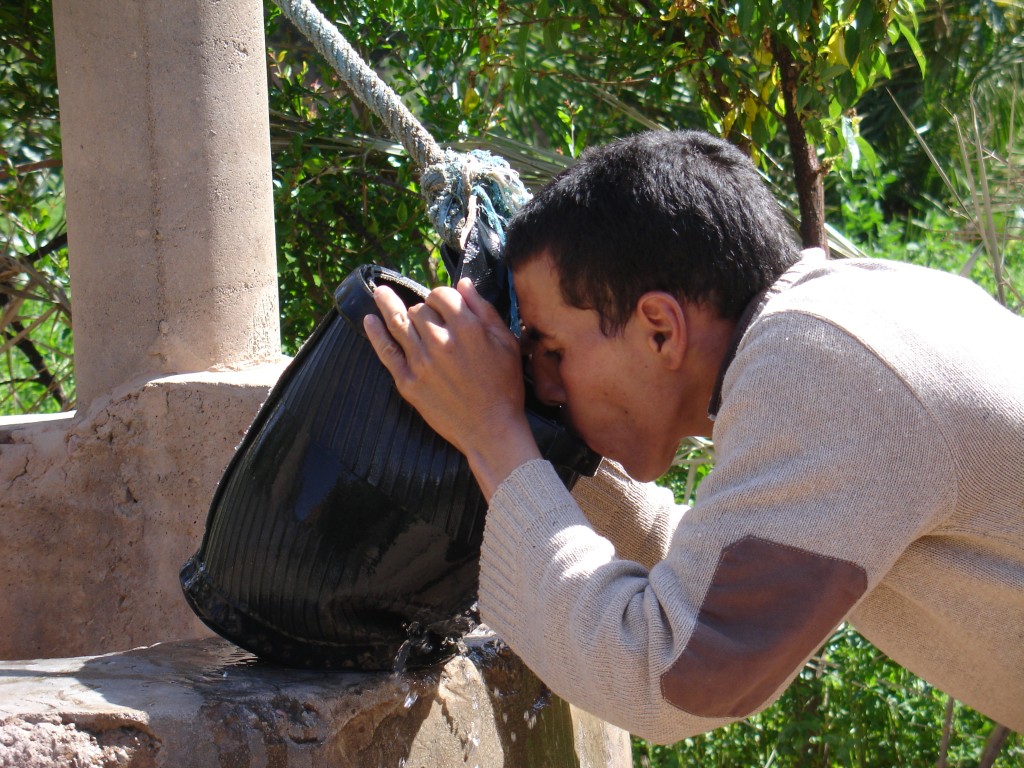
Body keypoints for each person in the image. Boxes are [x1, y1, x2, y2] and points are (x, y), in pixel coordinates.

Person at [363, 130, 1024, 742]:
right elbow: (721, 578)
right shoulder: (857, 313)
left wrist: (491, 432)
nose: (548, 385)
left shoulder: (822, 362)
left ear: (660, 328)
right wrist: (538, 442)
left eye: (554, 350)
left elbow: (671, 673)